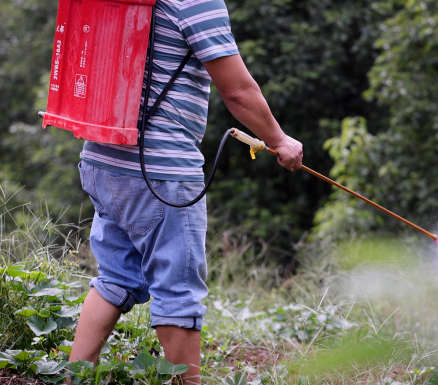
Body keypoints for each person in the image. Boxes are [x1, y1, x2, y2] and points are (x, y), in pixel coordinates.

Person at [68, 0, 303, 384]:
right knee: (178, 293)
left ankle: (73, 379)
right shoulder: (196, 1)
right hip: (161, 176)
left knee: (115, 278)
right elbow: (238, 92)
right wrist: (279, 140)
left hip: (101, 159)